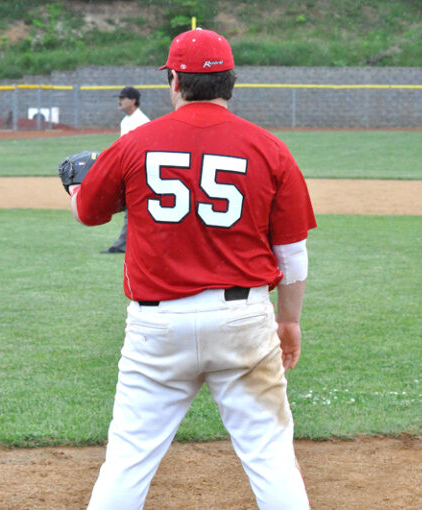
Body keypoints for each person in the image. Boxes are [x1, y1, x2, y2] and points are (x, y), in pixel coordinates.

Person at [67, 28, 315, 509]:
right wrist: (289, 320)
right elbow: (293, 254)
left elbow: (89, 212)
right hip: (243, 319)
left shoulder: (137, 142)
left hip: (156, 324)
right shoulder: (269, 148)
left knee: (128, 458)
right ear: (231, 83)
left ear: (175, 82)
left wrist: (79, 185)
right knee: (270, 455)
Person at [101, 86, 151, 254]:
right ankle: (129, 244)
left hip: (141, 172)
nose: (119, 101)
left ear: (133, 101)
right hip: (130, 170)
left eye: (123, 98)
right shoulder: (126, 121)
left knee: (133, 208)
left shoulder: (141, 122)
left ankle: (123, 245)